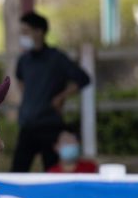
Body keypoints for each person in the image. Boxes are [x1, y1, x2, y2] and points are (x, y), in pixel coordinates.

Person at [11, 11, 91, 172]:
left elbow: (83, 78)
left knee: (53, 171)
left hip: (50, 125)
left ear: (39, 31)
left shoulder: (57, 58)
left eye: (26, 32)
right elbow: (20, 79)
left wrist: (62, 96)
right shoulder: (24, 60)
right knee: (18, 171)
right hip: (28, 124)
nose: (22, 36)